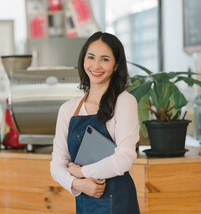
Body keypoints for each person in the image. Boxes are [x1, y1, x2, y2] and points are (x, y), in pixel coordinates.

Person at [50, 31, 140, 213]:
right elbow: (57, 164)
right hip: (85, 200)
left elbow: (124, 158)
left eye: (105, 59)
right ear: (83, 60)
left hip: (119, 202)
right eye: (91, 57)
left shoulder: (124, 101)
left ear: (116, 65)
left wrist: (82, 172)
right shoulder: (68, 109)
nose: (96, 66)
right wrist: (78, 184)